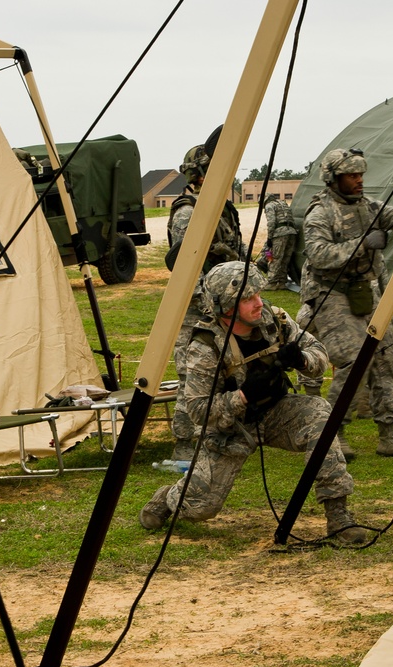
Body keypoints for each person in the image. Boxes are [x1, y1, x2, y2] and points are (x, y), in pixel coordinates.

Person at [140, 261, 365, 544]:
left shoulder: (275, 320)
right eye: (248, 299)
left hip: (276, 414)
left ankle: (338, 516)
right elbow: (198, 411)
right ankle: (170, 497)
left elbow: (317, 351)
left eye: (258, 294)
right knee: (200, 508)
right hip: (230, 428)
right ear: (226, 308)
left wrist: (302, 360)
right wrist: (243, 396)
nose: (258, 303)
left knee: (320, 414)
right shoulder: (204, 348)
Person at [298, 148, 393, 460]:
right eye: (351, 175)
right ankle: (335, 433)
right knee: (352, 362)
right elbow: (318, 254)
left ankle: (390, 435)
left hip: (366, 292)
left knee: (388, 360)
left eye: (360, 174)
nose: (359, 180)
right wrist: (361, 246)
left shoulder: (368, 206)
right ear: (334, 178)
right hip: (332, 294)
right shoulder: (320, 213)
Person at [166, 128, 245, 461]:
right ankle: (185, 444)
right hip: (198, 311)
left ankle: (218, 435)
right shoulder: (188, 214)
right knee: (192, 378)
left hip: (227, 310)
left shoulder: (224, 210)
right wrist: (216, 303)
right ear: (199, 175)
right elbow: (189, 270)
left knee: (227, 373)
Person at [260, 194, 298, 291]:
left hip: (280, 233)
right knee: (285, 259)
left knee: (275, 258)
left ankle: (271, 282)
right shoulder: (283, 204)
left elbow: (271, 222)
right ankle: (282, 282)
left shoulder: (269, 206)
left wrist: (269, 238)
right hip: (292, 232)